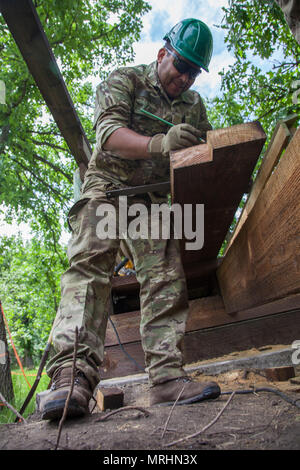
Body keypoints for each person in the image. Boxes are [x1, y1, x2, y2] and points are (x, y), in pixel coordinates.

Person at [39, 18, 221, 420]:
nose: (186, 77)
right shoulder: (124, 80)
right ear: (162, 54)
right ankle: (72, 377)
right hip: (107, 184)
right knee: (90, 266)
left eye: (194, 71)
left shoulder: (193, 107)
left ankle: (168, 378)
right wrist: (160, 143)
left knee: (166, 274)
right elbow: (107, 135)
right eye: (182, 65)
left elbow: (200, 153)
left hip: (151, 199)